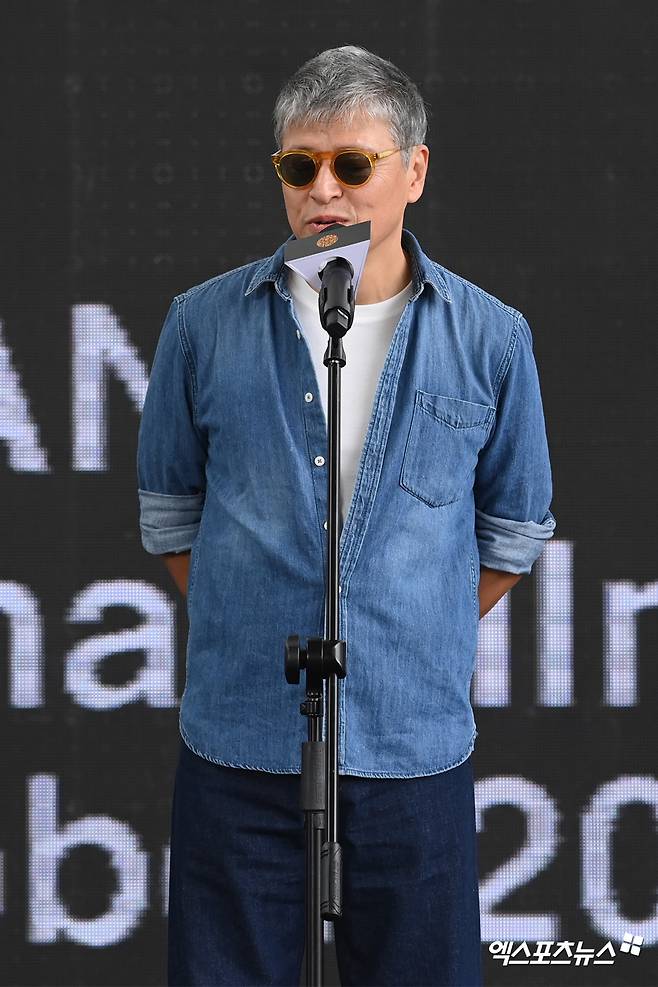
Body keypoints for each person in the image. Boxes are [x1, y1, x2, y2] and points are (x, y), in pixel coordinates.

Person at [137, 44, 556, 987]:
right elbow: (170, 511)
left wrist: (409, 626)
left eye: (352, 164)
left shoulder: (491, 336)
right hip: (240, 744)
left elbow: (515, 528)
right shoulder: (200, 323)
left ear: (415, 169)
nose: (323, 190)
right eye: (300, 165)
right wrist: (252, 615)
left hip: (412, 750)